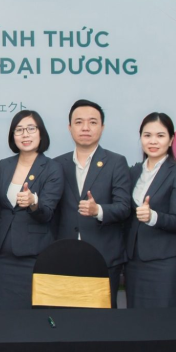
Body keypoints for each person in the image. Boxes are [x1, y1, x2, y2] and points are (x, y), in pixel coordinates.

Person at [54, 99, 132, 307]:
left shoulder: (116, 162)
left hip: (103, 256)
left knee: (101, 319)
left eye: (93, 122)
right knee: (67, 317)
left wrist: (98, 210)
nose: (85, 127)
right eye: (79, 122)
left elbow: (124, 207)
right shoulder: (57, 164)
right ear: (70, 127)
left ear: (102, 127)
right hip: (65, 255)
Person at [0, 110, 64, 309]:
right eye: (19, 130)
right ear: (13, 135)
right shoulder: (4, 165)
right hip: (2, 256)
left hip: (34, 256)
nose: (25, 134)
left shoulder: (52, 167)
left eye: (31, 129)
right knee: (2, 314)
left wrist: (33, 201)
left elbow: (47, 212)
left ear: (41, 133)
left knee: (32, 317)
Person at [124, 112, 176, 308]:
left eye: (160, 136)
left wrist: (153, 217)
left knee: (163, 321)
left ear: (171, 140)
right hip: (134, 261)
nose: (153, 141)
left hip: (164, 262)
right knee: (136, 320)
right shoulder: (134, 172)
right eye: (147, 135)